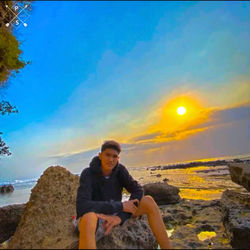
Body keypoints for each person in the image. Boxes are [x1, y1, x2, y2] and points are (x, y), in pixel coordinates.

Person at [76, 140, 171, 249]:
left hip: (116, 213)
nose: (111, 159)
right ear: (100, 155)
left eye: (114, 156)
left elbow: (138, 189)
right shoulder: (88, 173)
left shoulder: (120, 170)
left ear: (118, 158)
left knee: (148, 200)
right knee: (88, 217)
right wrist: (120, 206)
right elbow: (82, 205)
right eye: (107, 155)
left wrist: (121, 217)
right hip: (96, 217)